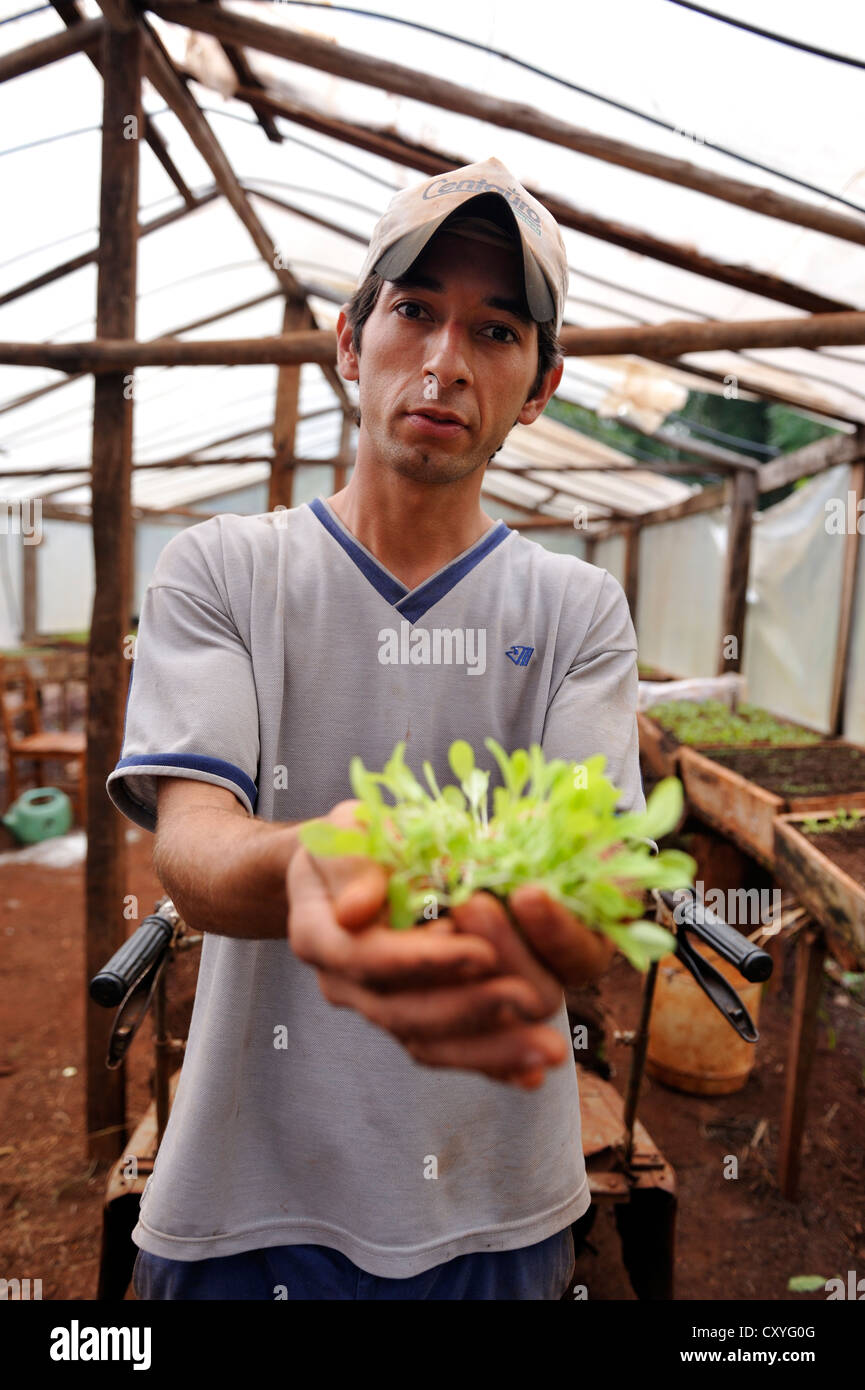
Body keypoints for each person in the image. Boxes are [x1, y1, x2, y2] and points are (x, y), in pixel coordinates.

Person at [107, 156, 648, 1301]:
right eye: (414, 312)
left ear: (540, 386)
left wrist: (559, 906)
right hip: (245, 1202)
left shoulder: (574, 610)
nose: (445, 363)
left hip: (493, 1208)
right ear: (351, 345)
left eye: (497, 332)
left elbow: (594, 895)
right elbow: (195, 852)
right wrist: (332, 854)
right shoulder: (224, 572)